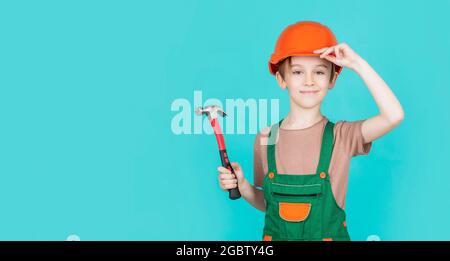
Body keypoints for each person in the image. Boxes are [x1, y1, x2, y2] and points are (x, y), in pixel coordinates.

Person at [217, 21, 404, 241]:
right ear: (281, 79)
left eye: (319, 71)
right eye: (297, 72)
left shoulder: (341, 136)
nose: (309, 81)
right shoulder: (267, 138)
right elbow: (269, 204)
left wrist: (357, 63)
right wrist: (244, 185)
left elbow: (394, 115)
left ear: (333, 79)